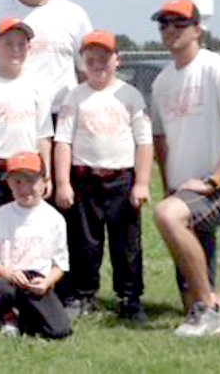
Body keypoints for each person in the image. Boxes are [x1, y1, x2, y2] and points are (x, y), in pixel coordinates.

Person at [149, 0, 220, 336]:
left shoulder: (216, 67)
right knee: (193, 299)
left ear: (197, 29)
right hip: (184, 192)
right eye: (164, 24)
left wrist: (216, 177)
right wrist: (170, 187)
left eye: (179, 23)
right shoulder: (161, 82)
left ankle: (209, 314)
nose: (170, 30)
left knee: (167, 214)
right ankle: (208, 304)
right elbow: (161, 141)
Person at [54, 30, 152, 323]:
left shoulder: (129, 95)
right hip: (85, 178)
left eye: (104, 58)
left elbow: (144, 141)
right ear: (82, 63)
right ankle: (84, 294)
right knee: (85, 242)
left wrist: (142, 183)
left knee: (127, 244)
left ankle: (129, 297)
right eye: (91, 59)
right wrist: (63, 183)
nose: (98, 64)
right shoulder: (76, 96)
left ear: (117, 60)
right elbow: (63, 141)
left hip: (122, 179)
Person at [0, 18, 53, 293]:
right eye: (8, 43)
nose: (15, 49)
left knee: (23, 228)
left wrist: (46, 173)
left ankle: (25, 284)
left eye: (21, 44)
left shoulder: (38, 85)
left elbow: (43, 134)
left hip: (27, 170)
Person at [0, 151, 71, 339]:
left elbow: (61, 265)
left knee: (58, 331)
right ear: (8, 184)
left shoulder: (54, 219)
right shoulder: (0, 216)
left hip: (38, 282)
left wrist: (47, 282)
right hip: (9, 278)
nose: (24, 188)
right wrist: (10, 274)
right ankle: (7, 317)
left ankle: (27, 317)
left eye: (31, 181)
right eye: (17, 182)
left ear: (44, 181)